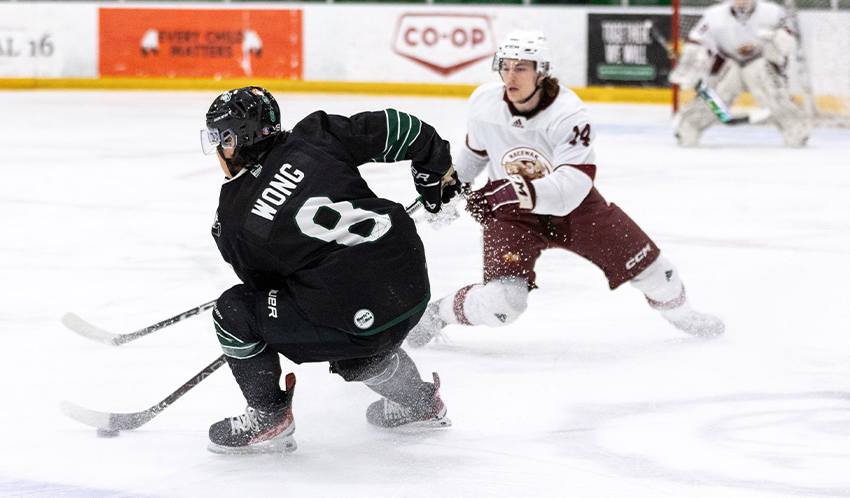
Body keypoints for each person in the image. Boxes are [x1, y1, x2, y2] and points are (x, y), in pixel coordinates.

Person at [406, 30, 725, 349]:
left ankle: (684, 316)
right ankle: (437, 315)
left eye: (521, 68)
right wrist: (448, 188)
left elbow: (572, 186)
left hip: (575, 209)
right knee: (503, 304)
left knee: (658, 272)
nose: (510, 76)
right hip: (513, 218)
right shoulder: (484, 103)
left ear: (541, 71)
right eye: (505, 66)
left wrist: (505, 192)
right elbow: (475, 154)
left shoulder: (569, 114)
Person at [200, 86, 461, 454]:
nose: (217, 150)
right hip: (412, 287)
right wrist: (435, 171)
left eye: (220, 139)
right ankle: (417, 402)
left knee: (233, 312)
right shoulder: (315, 136)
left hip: (356, 319)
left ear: (236, 140)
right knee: (357, 349)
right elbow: (403, 128)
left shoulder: (233, 218)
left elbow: (266, 287)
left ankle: (268, 415)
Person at [669, 0, 811, 147]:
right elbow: (697, 40)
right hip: (730, 65)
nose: (741, 1)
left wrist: (779, 37)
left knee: (773, 96)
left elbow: (789, 41)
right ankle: (688, 127)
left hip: (761, 64)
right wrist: (690, 64)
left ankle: (795, 128)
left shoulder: (772, 13)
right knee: (716, 99)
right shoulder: (713, 16)